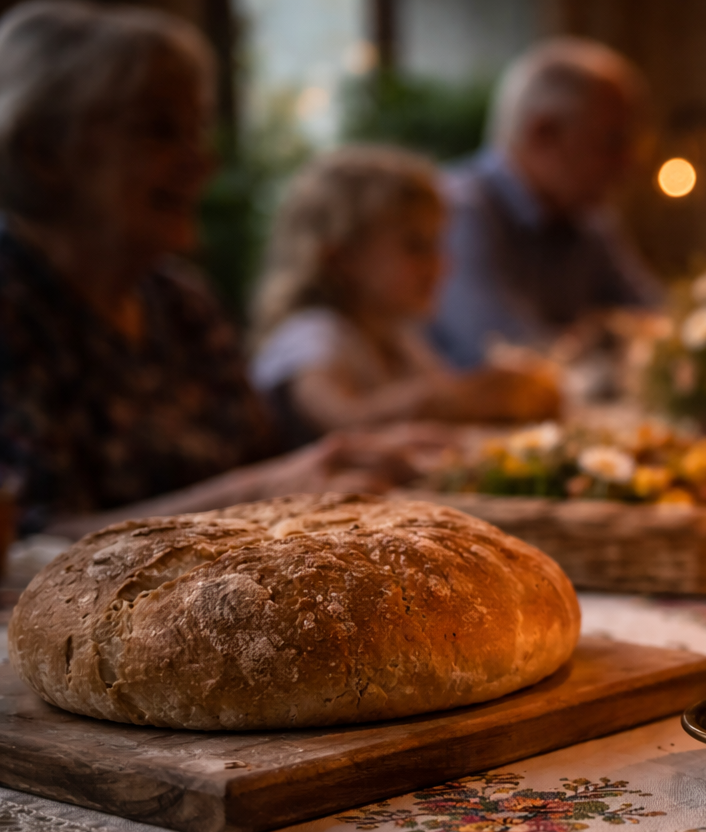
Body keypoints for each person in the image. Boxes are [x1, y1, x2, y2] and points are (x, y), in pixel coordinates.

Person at [0, 2, 426, 538]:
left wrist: (344, 463)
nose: (200, 161)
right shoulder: (14, 304)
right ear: (43, 150)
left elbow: (271, 466)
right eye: (157, 130)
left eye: (195, 130)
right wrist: (254, 493)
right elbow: (25, 544)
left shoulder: (181, 302)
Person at [250, 146, 560, 449]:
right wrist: (446, 399)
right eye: (415, 245)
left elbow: (453, 414)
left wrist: (505, 398)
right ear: (341, 259)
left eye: (437, 243)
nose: (440, 263)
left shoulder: (401, 340)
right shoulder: (313, 335)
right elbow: (341, 419)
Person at [428, 37, 660, 371]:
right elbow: (509, 354)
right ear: (543, 134)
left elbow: (660, 321)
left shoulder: (588, 221)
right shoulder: (455, 212)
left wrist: (599, 336)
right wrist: (603, 336)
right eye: (612, 143)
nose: (627, 166)